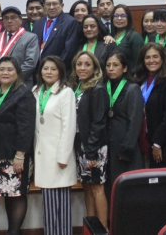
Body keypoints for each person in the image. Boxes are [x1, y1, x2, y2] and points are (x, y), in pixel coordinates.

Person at [0, 57, 36, 235]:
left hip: (15, 154)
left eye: (10, 69)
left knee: (17, 194)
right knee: (8, 194)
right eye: (2, 69)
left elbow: (26, 127)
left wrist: (20, 155)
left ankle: (14, 232)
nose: (5, 73)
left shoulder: (24, 93)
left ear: (17, 73)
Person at [32, 55, 76, 235]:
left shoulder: (66, 92)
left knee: (61, 208)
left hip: (59, 157)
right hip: (42, 154)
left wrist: (63, 156)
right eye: (45, 68)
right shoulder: (36, 90)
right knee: (48, 206)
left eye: (53, 69)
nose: (48, 72)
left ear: (60, 72)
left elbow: (69, 126)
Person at [71, 51, 110, 229]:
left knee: (97, 188)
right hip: (80, 144)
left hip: (94, 147)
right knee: (87, 186)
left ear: (95, 67)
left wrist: (92, 151)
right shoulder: (77, 86)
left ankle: (102, 229)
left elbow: (99, 122)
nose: (83, 68)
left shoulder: (98, 88)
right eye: (79, 64)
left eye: (87, 64)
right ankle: (91, 228)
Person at [103, 52, 144, 198]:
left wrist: (127, 147)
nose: (111, 69)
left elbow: (135, 121)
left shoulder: (132, 88)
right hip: (108, 146)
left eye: (115, 65)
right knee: (110, 189)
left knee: (127, 192)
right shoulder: (104, 87)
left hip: (125, 148)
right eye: (108, 65)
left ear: (125, 68)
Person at [133, 43, 166, 168]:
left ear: (162, 59)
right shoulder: (139, 79)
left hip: (162, 141)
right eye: (147, 57)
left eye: (155, 57)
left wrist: (157, 143)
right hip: (142, 138)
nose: (151, 61)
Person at [0, 6, 40, 88]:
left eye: (13, 17)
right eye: (6, 18)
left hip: (21, 84)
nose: (9, 21)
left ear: (21, 20)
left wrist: (11, 79)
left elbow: (30, 63)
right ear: (2, 21)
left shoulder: (31, 38)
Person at [34, 0, 80, 69]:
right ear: (44, 6)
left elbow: (69, 51)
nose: (51, 7)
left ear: (62, 5)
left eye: (55, 4)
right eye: (48, 4)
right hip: (39, 71)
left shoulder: (70, 22)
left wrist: (55, 68)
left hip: (60, 71)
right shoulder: (38, 23)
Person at [110, 4, 144, 71]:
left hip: (129, 77)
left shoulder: (135, 37)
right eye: (116, 16)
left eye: (123, 16)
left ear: (128, 18)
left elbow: (139, 62)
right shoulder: (110, 36)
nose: (119, 18)